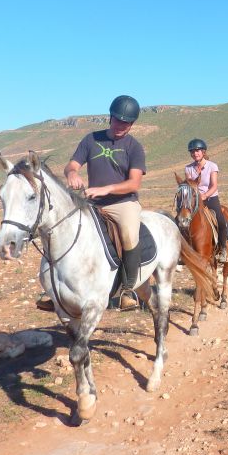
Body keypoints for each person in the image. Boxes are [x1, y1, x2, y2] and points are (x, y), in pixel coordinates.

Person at [61, 95, 146, 311]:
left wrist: (106, 189)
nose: (121, 125)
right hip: (92, 202)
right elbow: (72, 165)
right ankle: (58, 286)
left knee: (129, 233)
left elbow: (134, 183)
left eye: (126, 122)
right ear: (110, 118)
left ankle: (127, 290)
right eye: (117, 120)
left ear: (132, 124)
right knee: (64, 229)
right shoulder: (91, 140)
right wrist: (72, 174)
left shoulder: (134, 147)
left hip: (123, 203)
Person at [184, 138, 228, 263]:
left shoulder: (212, 166)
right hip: (194, 200)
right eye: (192, 152)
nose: (195, 154)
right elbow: (190, 184)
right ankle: (184, 251)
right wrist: (195, 174)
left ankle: (223, 249)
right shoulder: (188, 168)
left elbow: (214, 185)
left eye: (197, 151)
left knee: (221, 221)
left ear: (203, 152)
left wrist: (204, 196)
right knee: (182, 220)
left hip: (210, 198)